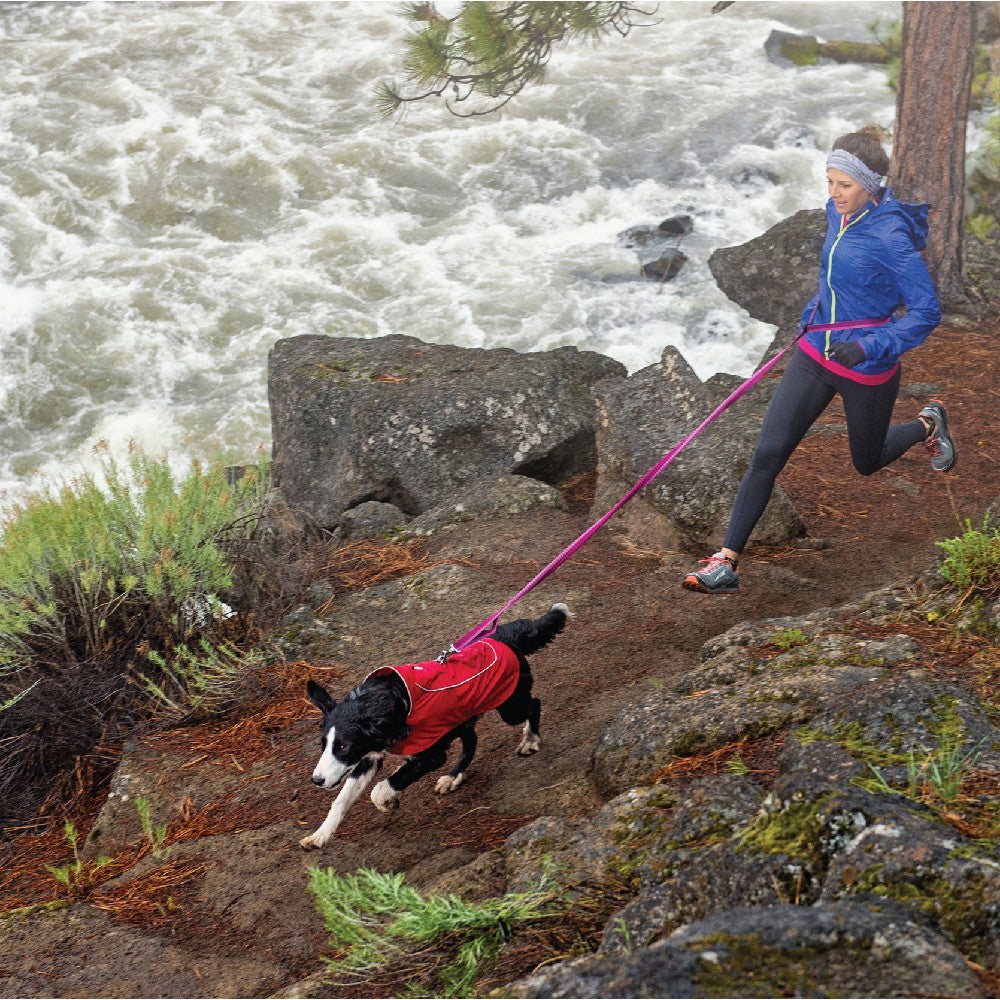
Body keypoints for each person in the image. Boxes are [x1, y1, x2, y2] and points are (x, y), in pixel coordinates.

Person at [683, 124, 956, 596]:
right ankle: (725, 561)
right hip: (815, 351)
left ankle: (928, 424)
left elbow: (927, 312)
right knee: (768, 453)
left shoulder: (891, 237)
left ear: (869, 185)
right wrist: (813, 316)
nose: (834, 193)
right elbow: (832, 278)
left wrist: (871, 346)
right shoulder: (836, 213)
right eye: (829, 181)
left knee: (866, 462)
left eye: (844, 185)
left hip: (866, 367)